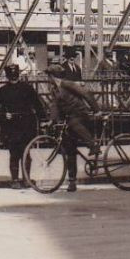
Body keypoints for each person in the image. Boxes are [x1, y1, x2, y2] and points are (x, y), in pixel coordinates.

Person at [0, 62, 46, 188]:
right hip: (11, 127)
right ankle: (15, 180)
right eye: (11, 76)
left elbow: (38, 105)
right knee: (14, 153)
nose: (14, 78)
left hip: (26, 125)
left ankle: (26, 179)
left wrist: (42, 119)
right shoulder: (2, 91)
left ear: (18, 75)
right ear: (7, 76)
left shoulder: (27, 88)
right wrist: (4, 114)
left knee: (26, 153)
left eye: (15, 76)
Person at [47, 61, 97, 192]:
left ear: (53, 77)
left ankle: (93, 145)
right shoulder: (54, 90)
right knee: (70, 150)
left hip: (80, 115)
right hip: (69, 118)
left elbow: (86, 94)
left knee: (73, 123)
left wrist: (96, 110)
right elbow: (55, 106)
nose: (48, 80)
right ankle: (72, 181)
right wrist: (51, 120)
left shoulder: (67, 84)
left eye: (49, 77)